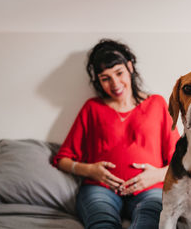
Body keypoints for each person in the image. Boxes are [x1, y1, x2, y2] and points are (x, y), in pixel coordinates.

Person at [52, 39, 180, 229]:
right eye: (105, 78)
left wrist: (157, 175)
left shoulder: (157, 104)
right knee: (101, 223)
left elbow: (180, 162)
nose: (115, 83)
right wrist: (91, 170)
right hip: (100, 190)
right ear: (98, 81)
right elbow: (62, 159)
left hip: (149, 190)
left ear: (130, 67)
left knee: (151, 220)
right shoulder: (92, 108)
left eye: (119, 73)